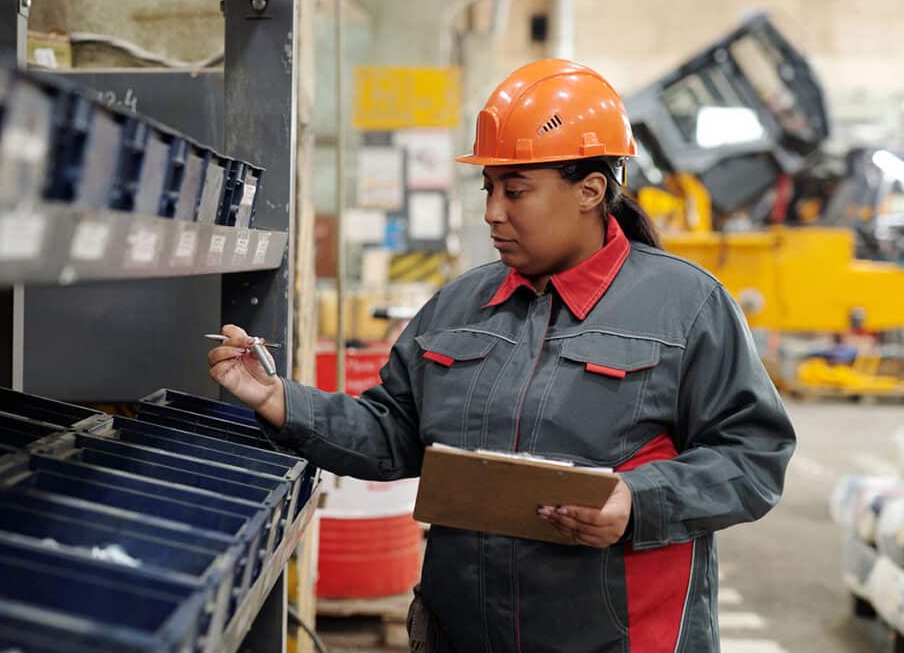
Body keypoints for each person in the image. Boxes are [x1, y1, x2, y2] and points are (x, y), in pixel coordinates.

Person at [208, 59, 795, 653]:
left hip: (619, 639)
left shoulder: (687, 306)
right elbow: (393, 433)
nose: (493, 211)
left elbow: (753, 454)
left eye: (516, 191)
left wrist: (638, 502)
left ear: (590, 190)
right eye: (489, 188)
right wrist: (280, 400)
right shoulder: (462, 303)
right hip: (462, 633)